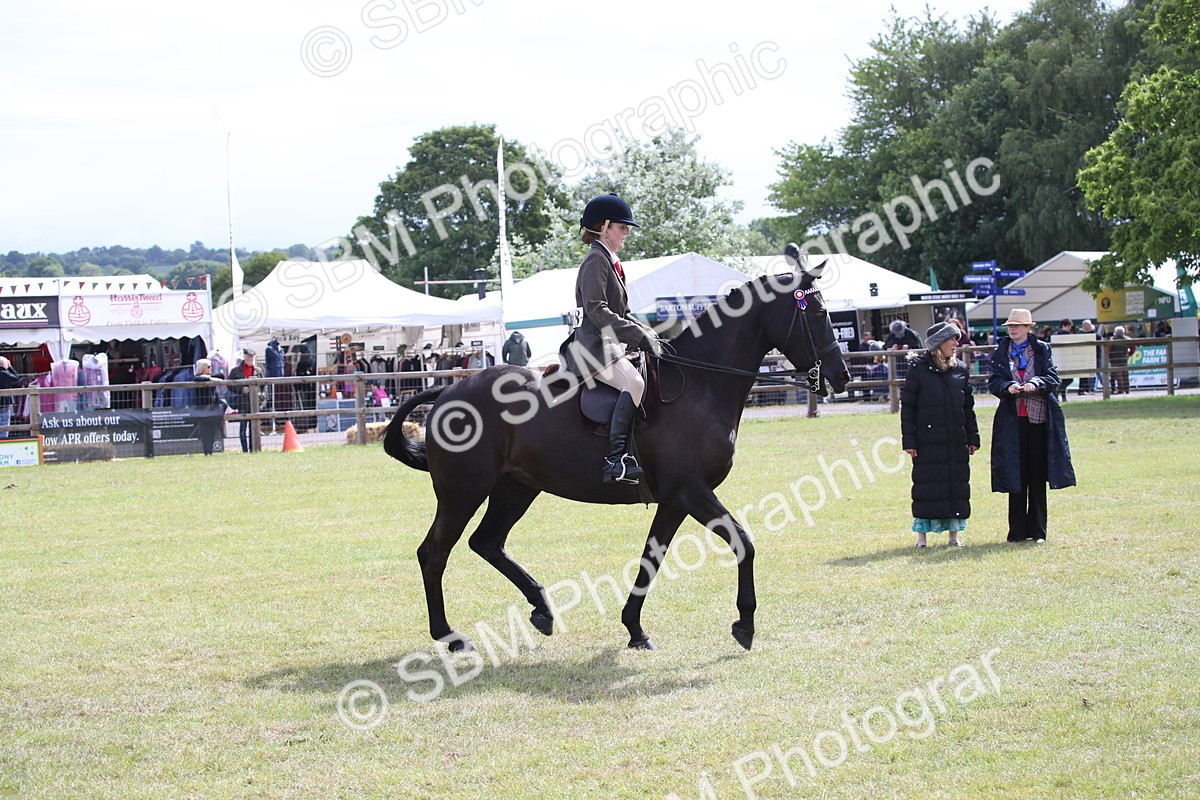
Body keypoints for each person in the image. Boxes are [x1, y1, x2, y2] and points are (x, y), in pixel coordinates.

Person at [570, 192, 661, 485]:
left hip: (613, 344)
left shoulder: (611, 261)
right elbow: (597, 310)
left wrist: (649, 334)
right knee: (634, 382)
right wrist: (637, 335)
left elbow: (625, 312)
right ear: (606, 226)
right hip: (595, 346)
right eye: (623, 227)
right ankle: (615, 460)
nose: (627, 233)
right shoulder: (596, 260)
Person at [989, 309, 1076, 543]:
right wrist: (1008, 387)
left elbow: (1052, 378)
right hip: (1012, 421)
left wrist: (1035, 383)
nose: (1012, 329)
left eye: (1017, 325)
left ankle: (1038, 531)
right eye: (1010, 325)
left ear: (1029, 328)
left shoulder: (1041, 349)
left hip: (1039, 420)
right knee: (1016, 476)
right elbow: (994, 382)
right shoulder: (1001, 351)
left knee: (1037, 477)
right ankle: (1016, 533)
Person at [902, 322, 980, 547]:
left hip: (956, 439)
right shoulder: (918, 369)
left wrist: (973, 437)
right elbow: (908, 407)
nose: (957, 343)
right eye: (952, 339)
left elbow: (968, 408)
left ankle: (954, 536)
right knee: (926, 487)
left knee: (956, 484)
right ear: (939, 343)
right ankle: (922, 538)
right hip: (927, 441)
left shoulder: (961, 370)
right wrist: (909, 440)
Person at [229, 348, 265, 453]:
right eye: (248, 356)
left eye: (252, 356)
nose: (250, 358)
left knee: (254, 427)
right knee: (243, 428)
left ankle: (253, 448)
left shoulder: (258, 370)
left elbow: (264, 386)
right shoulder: (235, 371)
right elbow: (229, 385)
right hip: (242, 402)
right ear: (244, 357)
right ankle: (244, 449)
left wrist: (262, 397)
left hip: (255, 403)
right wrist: (241, 389)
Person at [192, 358, 225, 456]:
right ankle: (206, 451)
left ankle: (210, 451)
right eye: (209, 367)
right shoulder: (198, 378)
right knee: (205, 431)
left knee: (212, 431)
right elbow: (197, 378)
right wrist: (210, 379)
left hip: (212, 408)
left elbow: (221, 376)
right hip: (203, 409)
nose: (211, 368)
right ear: (202, 368)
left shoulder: (210, 376)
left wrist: (210, 377)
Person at [1050, 318, 1076, 400]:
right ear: (1065, 326)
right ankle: (1059, 393)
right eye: (1069, 326)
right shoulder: (1066, 335)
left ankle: (1063, 397)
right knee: (1068, 379)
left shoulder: (1054, 334)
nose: (1069, 328)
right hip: (1066, 359)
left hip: (1056, 359)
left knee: (1062, 379)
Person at [0, 356, 22, 438]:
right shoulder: (4, 373)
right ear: (3, 364)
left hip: (4, 401)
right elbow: (16, 378)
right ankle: (3, 440)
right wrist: (10, 367)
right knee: (5, 422)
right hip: (4, 401)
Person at [1077, 319, 1098, 394]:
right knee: (1083, 374)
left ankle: (1086, 389)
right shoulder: (1080, 333)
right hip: (1083, 356)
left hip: (1091, 356)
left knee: (1091, 373)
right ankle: (1083, 389)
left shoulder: (1081, 333)